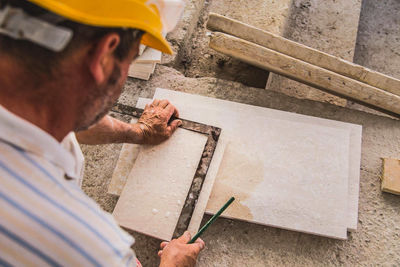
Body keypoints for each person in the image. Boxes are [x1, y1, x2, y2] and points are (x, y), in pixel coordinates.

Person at [0, 0, 205, 266]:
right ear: (104, 56)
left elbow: (66, 112)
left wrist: (139, 132)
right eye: (131, 58)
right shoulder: (90, 248)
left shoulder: (26, 95)